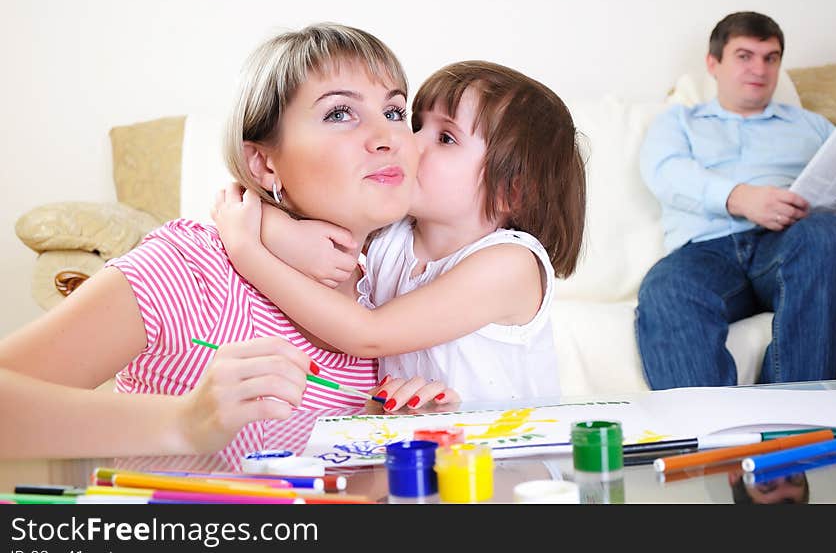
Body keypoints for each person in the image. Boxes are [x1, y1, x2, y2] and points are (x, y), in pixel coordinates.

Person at [0, 23, 455, 460]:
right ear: (263, 164)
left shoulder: (398, 285)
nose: (388, 138)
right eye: (340, 113)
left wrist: (394, 432)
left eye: (395, 112)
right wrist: (183, 422)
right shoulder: (188, 269)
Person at [212, 60, 587, 403]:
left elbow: (368, 334)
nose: (410, 141)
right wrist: (285, 235)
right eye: (416, 124)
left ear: (511, 191)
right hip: (419, 449)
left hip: (512, 461)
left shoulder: (510, 264)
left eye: (445, 138)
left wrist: (250, 254)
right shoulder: (395, 233)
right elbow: (248, 199)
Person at [636, 11, 836, 389]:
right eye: (745, 56)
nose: (759, 69)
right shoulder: (678, 121)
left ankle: (793, 419)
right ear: (714, 63)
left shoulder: (811, 126)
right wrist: (739, 198)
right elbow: (666, 171)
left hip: (790, 246)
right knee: (666, 289)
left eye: (770, 58)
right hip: (706, 252)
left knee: (829, 235)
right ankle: (710, 433)